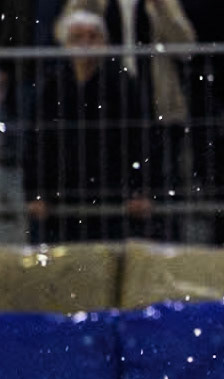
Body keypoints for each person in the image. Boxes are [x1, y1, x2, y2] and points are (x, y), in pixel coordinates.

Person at [24, 10, 157, 243]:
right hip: (63, 195)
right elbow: (37, 144)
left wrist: (139, 190)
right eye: (77, 38)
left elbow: (140, 141)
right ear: (65, 44)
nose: (85, 44)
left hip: (112, 192)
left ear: (105, 43)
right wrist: (36, 192)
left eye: (92, 37)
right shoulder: (51, 87)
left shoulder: (123, 85)